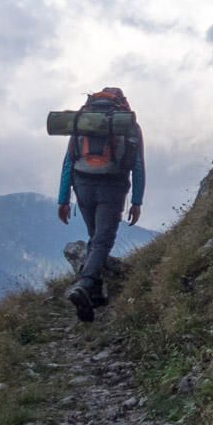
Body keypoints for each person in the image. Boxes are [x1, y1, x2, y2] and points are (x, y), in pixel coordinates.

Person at [56, 86, 145, 322]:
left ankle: (95, 295)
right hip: (112, 186)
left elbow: (68, 162)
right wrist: (137, 201)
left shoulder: (82, 123)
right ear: (122, 103)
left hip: (82, 185)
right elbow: (137, 165)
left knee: (96, 237)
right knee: (103, 240)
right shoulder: (128, 125)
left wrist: (63, 199)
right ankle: (84, 284)